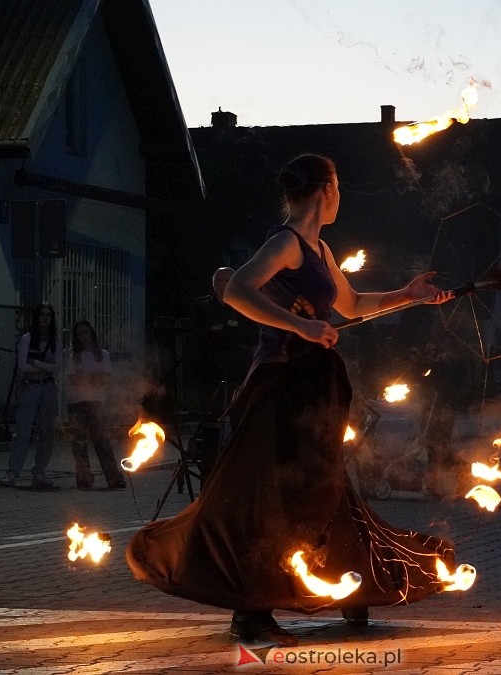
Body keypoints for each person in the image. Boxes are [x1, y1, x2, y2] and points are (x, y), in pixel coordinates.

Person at [126, 153, 457, 648]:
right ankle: (251, 610)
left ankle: (352, 586)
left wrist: (409, 295)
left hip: (315, 387)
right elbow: (237, 289)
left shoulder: (320, 250)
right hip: (283, 384)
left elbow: (353, 306)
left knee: (325, 489)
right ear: (325, 190)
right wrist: (299, 324)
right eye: (340, 186)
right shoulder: (285, 244)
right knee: (277, 495)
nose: (341, 196)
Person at [0, 303, 60, 489]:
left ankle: (39, 471)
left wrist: (35, 363)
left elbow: (57, 367)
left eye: (48, 315)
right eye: (41, 314)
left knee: (47, 431)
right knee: (23, 430)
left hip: (48, 388)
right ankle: (12, 472)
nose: (45, 318)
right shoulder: (27, 338)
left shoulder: (54, 340)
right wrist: (43, 367)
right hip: (30, 387)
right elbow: (22, 367)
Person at [65, 320, 125, 490]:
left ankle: (113, 477)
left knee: (102, 442)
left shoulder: (102, 355)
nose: (84, 336)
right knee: (79, 443)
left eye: (86, 332)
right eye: (80, 334)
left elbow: (105, 378)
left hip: (97, 402)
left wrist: (87, 377)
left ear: (92, 334)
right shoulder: (72, 356)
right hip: (77, 402)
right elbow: (73, 379)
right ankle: (83, 476)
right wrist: (93, 377)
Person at [189, 266, 255, 414]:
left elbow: (251, 335)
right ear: (216, 284)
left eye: (234, 280)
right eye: (227, 280)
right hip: (211, 370)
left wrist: (225, 331)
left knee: (238, 413)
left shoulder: (243, 306)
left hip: (237, 370)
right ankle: (210, 436)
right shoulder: (203, 307)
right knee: (211, 414)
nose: (232, 283)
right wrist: (227, 332)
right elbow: (199, 336)